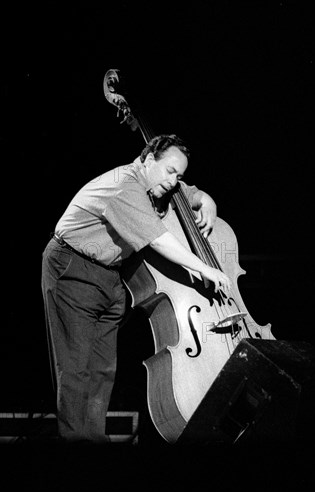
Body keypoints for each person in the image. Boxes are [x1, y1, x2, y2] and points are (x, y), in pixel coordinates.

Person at [41, 134, 231, 444]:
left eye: (179, 175)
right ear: (147, 159)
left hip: (112, 276)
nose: (174, 181)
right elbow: (158, 240)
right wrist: (204, 267)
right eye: (170, 171)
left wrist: (207, 200)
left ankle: (95, 441)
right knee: (75, 368)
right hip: (72, 268)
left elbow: (187, 193)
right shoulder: (124, 185)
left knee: (103, 369)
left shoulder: (157, 186)